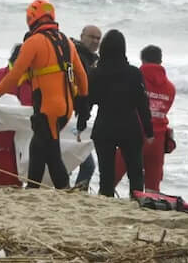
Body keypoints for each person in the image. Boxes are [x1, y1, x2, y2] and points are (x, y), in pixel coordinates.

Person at [0, 0, 89, 189]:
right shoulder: (66, 42)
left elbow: (14, 75)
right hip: (66, 109)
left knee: (52, 155)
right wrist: (83, 107)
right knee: (37, 148)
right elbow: (81, 76)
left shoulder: (34, 41)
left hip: (48, 109)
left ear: (31, 18)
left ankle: (64, 191)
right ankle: (32, 189)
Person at [82, 30, 153, 197]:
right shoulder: (134, 73)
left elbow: (88, 102)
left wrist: (81, 124)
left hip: (104, 127)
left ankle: (106, 200)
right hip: (129, 127)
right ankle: (137, 202)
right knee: (135, 172)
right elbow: (142, 104)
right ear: (123, 49)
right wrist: (149, 131)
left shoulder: (96, 73)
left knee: (106, 174)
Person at [113, 45, 176, 193]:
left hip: (133, 133)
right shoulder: (170, 88)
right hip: (158, 138)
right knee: (152, 186)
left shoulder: (134, 79)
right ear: (160, 61)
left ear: (143, 60)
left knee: (112, 176)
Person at [0, 43, 32, 187]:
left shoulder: (32, 79)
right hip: (1, 135)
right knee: (7, 176)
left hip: (25, 137)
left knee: (20, 176)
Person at [71, 25, 101, 190]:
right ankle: (72, 194)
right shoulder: (76, 55)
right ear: (82, 36)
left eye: (98, 38)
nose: (95, 41)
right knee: (86, 163)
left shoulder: (93, 59)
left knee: (83, 162)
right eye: (92, 37)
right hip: (70, 116)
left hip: (79, 118)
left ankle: (73, 194)